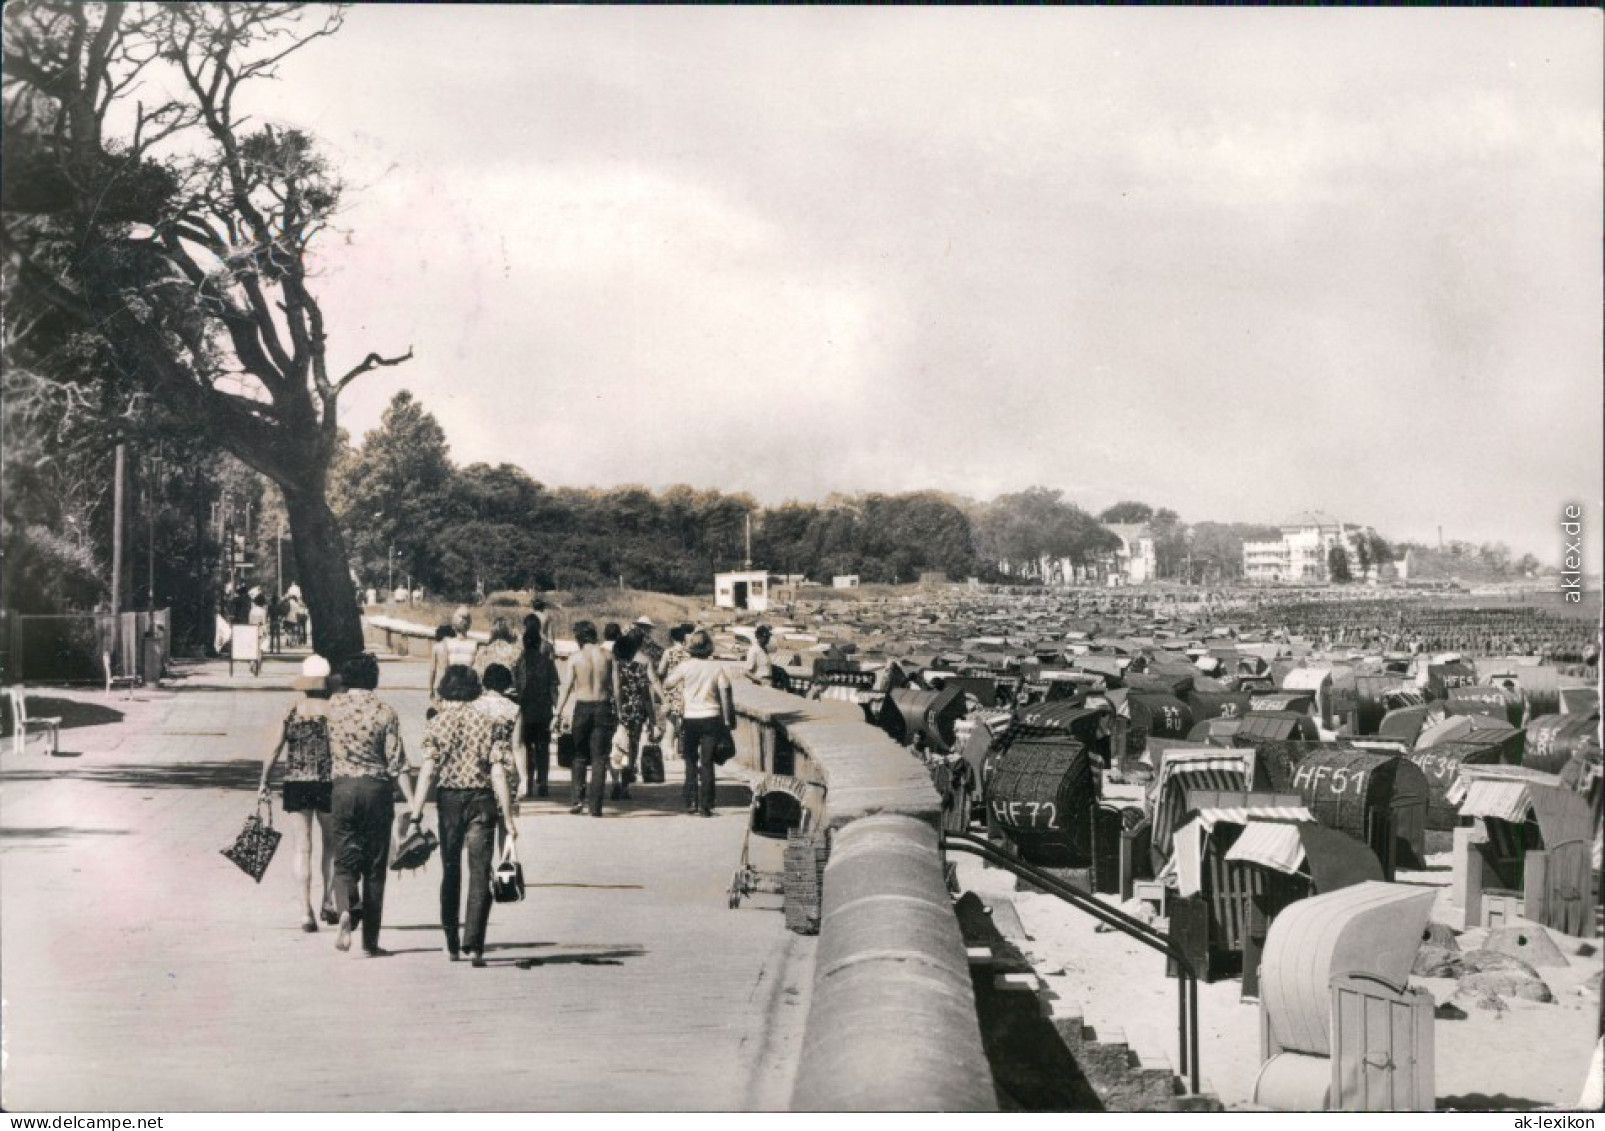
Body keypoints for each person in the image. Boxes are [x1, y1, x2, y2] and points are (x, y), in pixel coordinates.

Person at [403, 664, 520, 966]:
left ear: (445, 688)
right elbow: (498, 772)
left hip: (450, 801)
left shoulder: (437, 724)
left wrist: (415, 812)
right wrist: (507, 816)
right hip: (482, 799)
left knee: (451, 870)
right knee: (481, 871)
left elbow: (428, 770)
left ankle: (452, 942)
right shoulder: (489, 722)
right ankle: (475, 945)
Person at [326, 652, 417, 957]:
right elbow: (397, 763)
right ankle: (370, 942)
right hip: (377, 791)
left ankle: (347, 908)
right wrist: (413, 803)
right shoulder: (385, 712)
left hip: (342, 789)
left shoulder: (333, 708)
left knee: (343, 860)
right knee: (376, 868)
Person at [257, 655, 338, 931]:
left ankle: (305, 911)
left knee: (302, 847)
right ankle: (328, 900)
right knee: (331, 844)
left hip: (296, 783)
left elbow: (273, 749)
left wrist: (264, 782)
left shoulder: (291, 710)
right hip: (328, 782)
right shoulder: (334, 710)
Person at [662, 629, 734, 818]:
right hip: (711, 717)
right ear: (708, 648)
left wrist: (684, 686)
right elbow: (725, 692)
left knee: (690, 759)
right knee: (707, 762)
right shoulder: (716, 668)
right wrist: (727, 719)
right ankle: (706, 805)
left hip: (690, 718)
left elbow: (668, 683)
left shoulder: (685, 666)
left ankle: (691, 801)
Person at [555, 620, 617, 817]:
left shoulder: (575, 658)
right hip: (603, 705)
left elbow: (565, 688)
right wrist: (621, 714)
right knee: (599, 758)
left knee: (579, 755)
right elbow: (616, 688)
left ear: (578, 637)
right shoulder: (608, 656)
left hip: (582, 707)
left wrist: (557, 713)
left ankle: (577, 800)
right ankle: (596, 806)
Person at [609, 633, 661, 800]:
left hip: (616, 711)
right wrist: (653, 719)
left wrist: (617, 710)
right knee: (631, 749)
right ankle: (625, 786)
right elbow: (646, 695)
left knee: (615, 748)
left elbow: (615, 690)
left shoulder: (614, 666)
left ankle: (615, 781)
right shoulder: (640, 667)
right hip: (636, 713)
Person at [513, 625, 560, 798]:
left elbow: (516, 686)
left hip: (524, 709)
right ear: (539, 643)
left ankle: (528, 781)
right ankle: (544, 782)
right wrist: (557, 709)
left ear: (524, 643)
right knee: (543, 747)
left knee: (525, 746)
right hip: (543, 709)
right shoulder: (547, 662)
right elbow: (553, 687)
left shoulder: (519, 662)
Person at [657, 624, 692, 760]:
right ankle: (684, 748)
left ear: (672, 638)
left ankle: (670, 750)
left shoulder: (668, 652)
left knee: (671, 719)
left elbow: (660, 671)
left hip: (672, 688)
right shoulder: (688, 653)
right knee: (685, 719)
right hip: (686, 688)